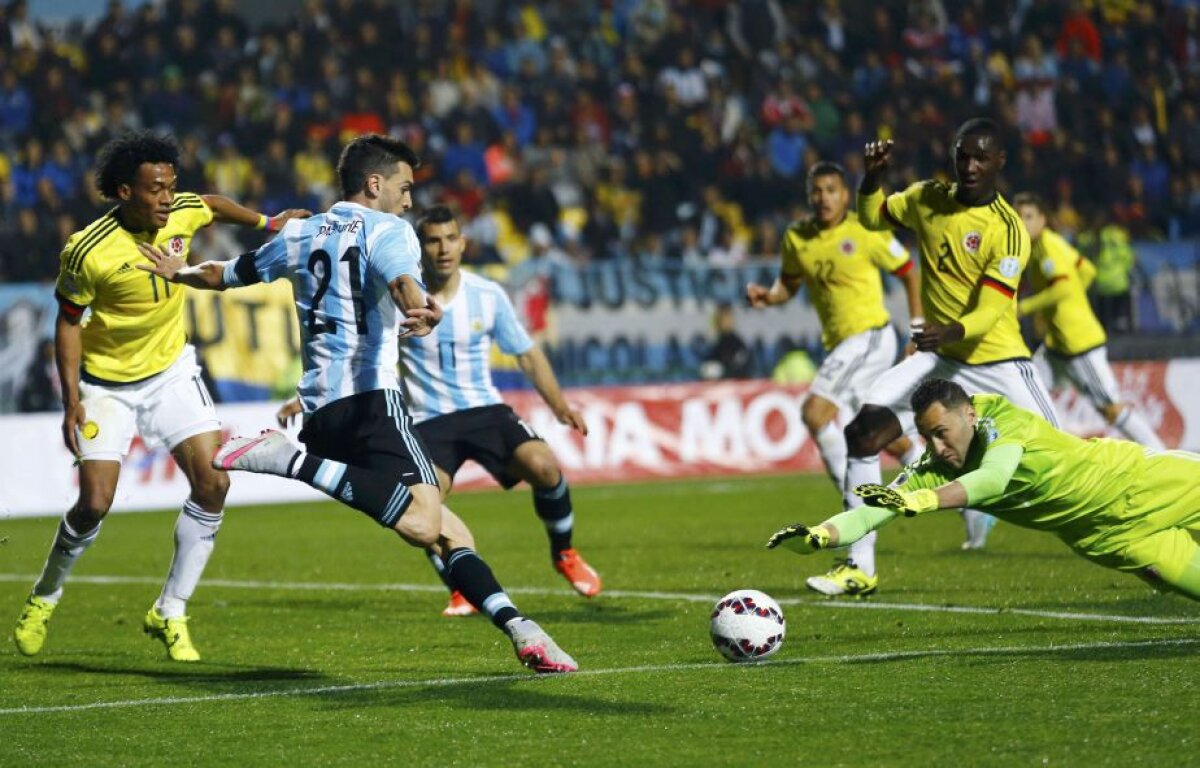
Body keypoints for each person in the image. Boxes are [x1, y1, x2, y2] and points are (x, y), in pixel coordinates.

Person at [136, 134, 576, 674]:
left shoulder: (298, 233)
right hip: (371, 403)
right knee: (421, 522)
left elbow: (224, 275)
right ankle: (285, 459)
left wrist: (173, 273)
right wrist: (424, 309)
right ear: (375, 184)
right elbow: (402, 283)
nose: (410, 200)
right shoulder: (388, 230)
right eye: (405, 187)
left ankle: (522, 630)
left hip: (323, 414)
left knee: (448, 532)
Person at [13, 131, 310, 662]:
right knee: (95, 504)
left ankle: (170, 610)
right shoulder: (87, 251)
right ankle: (45, 596)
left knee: (214, 482)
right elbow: (67, 323)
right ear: (125, 191)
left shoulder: (180, 212)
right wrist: (71, 401)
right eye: (155, 190)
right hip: (106, 385)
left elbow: (211, 206)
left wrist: (268, 223)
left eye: (171, 186)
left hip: (171, 372)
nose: (168, 199)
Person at [276, 204, 602, 617]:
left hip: (485, 409)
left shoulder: (488, 295)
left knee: (544, 466)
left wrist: (559, 406)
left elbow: (526, 354)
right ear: (418, 246)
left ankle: (564, 553)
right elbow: (360, 353)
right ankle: (460, 586)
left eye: (450, 238)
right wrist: (310, 396)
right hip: (428, 421)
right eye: (432, 240)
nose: (443, 248)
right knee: (423, 507)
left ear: (463, 243)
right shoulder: (397, 295)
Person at [812, 117, 1060, 597]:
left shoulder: (1009, 229)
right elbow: (871, 218)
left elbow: (992, 310)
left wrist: (949, 328)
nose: (969, 165)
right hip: (940, 359)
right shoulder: (928, 198)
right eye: (962, 156)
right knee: (863, 434)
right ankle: (858, 568)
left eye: (980, 157)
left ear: (999, 162)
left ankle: (1134, 534)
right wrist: (871, 180)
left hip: (999, 362)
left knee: (1058, 465)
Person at [768, 378, 1200, 601]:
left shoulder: (1004, 421)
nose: (936, 447)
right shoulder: (935, 463)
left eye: (941, 432)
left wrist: (921, 500)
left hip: (1141, 482)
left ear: (970, 415)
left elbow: (993, 478)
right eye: (927, 437)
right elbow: (870, 511)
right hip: (1109, 537)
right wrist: (819, 536)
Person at [745, 160, 925, 496]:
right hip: (844, 345)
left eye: (831, 191)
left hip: (871, 336)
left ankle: (853, 498)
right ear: (808, 196)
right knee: (879, 432)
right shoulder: (798, 238)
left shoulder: (865, 231)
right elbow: (789, 285)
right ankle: (958, 496)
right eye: (816, 191)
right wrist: (768, 297)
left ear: (846, 196)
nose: (823, 198)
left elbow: (908, 271)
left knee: (814, 413)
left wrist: (916, 328)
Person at [1013, 193, 1163, 449]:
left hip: (1079, 344)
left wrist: (1025, 307)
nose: (1022, 222)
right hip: (1058, 345)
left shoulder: (1048, 248)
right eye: (1018, 217)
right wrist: (1071, 305)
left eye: (1028, 216)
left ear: (1043, 219)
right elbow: (1086, 271)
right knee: (1025, 390)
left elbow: (1062, 288)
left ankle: (1161, 455)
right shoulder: (1047, 245)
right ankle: (1048, 451)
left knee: (1110, 410)